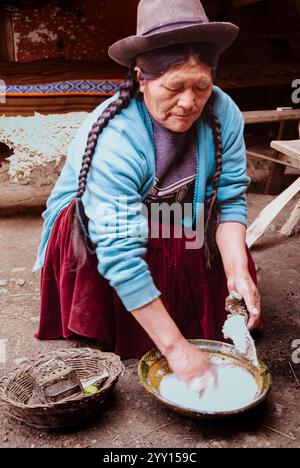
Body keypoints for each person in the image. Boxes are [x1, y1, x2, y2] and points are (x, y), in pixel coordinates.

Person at [33, 0, 262, 390]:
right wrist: (176, 349)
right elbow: (121, 251)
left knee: (186, 227)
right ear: (141, 79)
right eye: (174, 87)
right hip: (98, 226)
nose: (189, 102)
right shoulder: (116, 137)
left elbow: (229, 199)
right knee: (165, 232)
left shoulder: (225, 113)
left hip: (173, 211)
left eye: (201, 86)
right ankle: (142, 326)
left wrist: (236, 270)